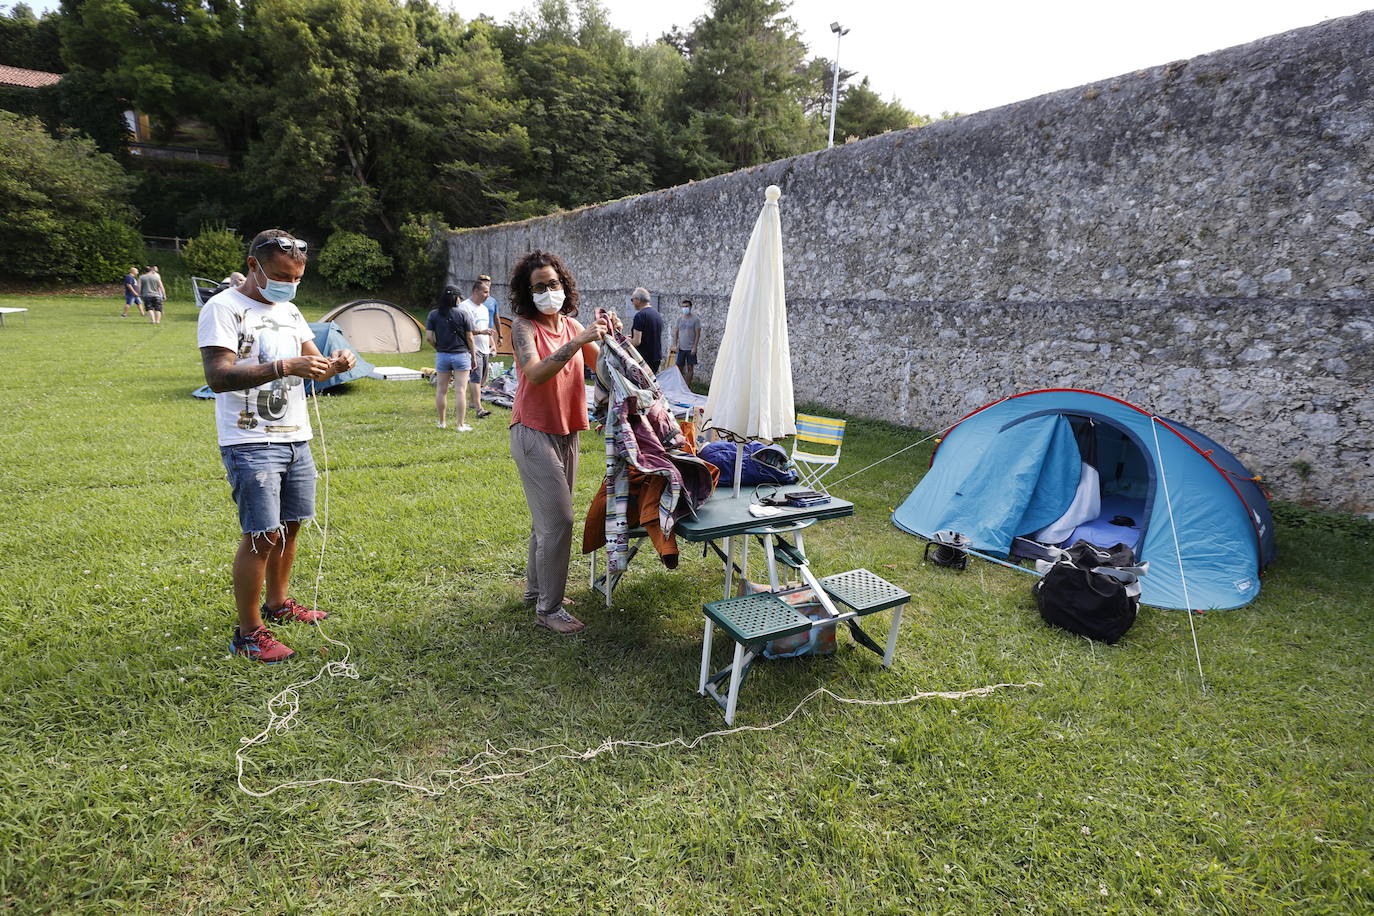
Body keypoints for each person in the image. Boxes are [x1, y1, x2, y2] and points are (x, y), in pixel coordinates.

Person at [197, 229, 357, 663]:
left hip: (295, 436)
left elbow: (314, 368)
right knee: (261, 536)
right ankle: (249, 632)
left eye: (297, 277)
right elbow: (217, 376)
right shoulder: (223, 308)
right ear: (254, 265)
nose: (290, 284)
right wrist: (283, 364)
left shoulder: (290, 310)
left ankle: (278, 604)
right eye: (282, 274)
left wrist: (337, 363)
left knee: (290, 527)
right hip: (250, 441)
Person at [508, 250, 616, 634]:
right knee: (560, 521)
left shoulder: (571, 325)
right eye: (539, 286)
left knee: (546, 522)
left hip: (567, 432)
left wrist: (609, 332)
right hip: (532, 433)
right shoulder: (523, 327)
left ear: (563, 285)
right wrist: (580, 338)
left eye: (553, 284)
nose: (548, 291)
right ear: (527, 291)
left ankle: (536, 590)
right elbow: (535, 373)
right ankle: (549, 609)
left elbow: (601, 365)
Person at [426, 285, 476, 431]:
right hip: (461, 355)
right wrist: (473, 356)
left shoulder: (433, 314)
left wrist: (438, 348)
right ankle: (460, 425)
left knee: (441, 390)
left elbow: (429, 338)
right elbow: (470, 338)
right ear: (456, 298)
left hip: (443, 356)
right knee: (460, 390)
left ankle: (442, 422)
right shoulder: (463, 314)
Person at [458, 278, 498, 420]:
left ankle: (472, 402)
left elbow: (486, 329)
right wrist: (481, 333)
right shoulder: (464, 307)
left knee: (482, 379)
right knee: (475, 377)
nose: (487, 295)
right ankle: (479, 408)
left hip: (485, 348)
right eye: (485, 292)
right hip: (472, 348)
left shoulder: (484, 309)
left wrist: (492, 343)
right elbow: (463, 331)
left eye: (488, 292)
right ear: (475, 291)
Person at [629, 287, 663, 371]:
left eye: (632, 300)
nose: (632, 303)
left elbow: (636, 342)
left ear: (638, 300)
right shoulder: (657, 314)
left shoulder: (640, 315)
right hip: (656, 358)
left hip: (643, 359)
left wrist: (626, 340)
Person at [672, 298, 702, 385]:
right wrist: (675, 345)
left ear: (690, 307)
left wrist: (695, 347)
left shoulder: (695, 319)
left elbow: (697, 334)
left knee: (690, 368)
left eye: (686, 306)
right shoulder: (679, 319)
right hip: (680, 348)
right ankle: (680, 386)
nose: (685, 308)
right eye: (683, 306)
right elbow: (676, 332)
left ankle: (687, 387)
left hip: (690, 348)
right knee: (679, 367)